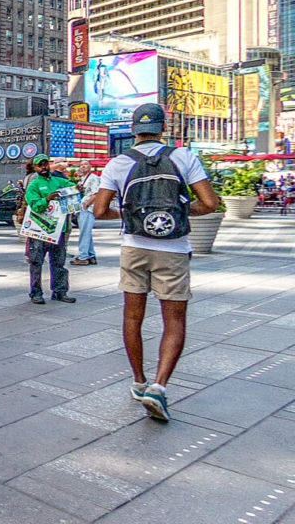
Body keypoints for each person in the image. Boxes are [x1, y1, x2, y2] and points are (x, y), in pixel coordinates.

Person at [91, 103, 219, 422]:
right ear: (163, 128)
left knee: (132, 317)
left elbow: (99, 211)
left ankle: (138, 381)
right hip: (173, 249)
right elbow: (210, 203)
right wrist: (174, 213)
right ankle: (159, 388)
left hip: (133, 248)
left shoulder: (118, 163)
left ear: (133, 130)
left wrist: (133, 215)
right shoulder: (183, 156)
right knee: (174, 319)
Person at [24, 154, 78, 304]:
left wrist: (78, 189)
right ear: (35, 167)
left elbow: (74, 191)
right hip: (39, 231)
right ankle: (36, 292)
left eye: (45, 164)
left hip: (58, 230)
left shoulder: (59, 181)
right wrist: (47, 199)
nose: (43, 167)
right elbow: (34, 205)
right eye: (40, 165)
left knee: (59, 262)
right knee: (36, 262)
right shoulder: (34, 185)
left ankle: (60, 291)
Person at [72, 160, 100, 266]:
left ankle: (83, 256)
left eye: (85, 164)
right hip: (82, 208)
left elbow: (96, 193)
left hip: (88, 208)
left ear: (90, 167)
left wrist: (87, 204)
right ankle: (91, 255)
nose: (83, 166)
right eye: (81, 165)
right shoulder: (82, 179)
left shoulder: (93, 178)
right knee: (86, 232)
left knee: (84, 232)